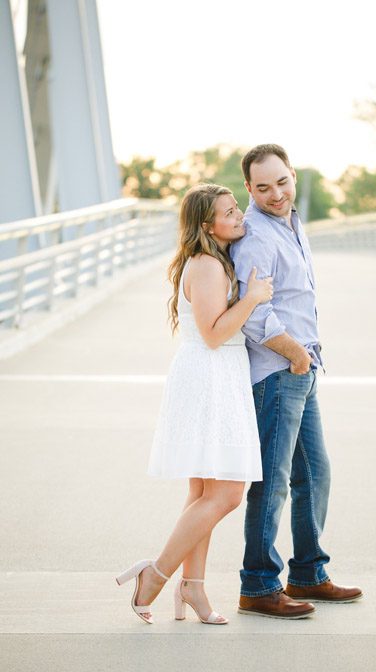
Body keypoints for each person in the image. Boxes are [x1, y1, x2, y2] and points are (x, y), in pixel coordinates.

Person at [116, 183, 276, 624]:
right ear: (208, 225)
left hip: (215, 375)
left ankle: (194, 589)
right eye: (230, 211)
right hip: (210, 377)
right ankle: (156, 574)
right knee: (225, 494)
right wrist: (253, 299)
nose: (240, 214)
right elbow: (213, 333)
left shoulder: (211, 260)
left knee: (203, 491)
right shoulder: (207, 265)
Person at [229, 144, 362, 619]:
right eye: (263, 187)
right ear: (249, 188)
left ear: (293, 176)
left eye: (282, 182)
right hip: (278, 373)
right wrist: (296, 357)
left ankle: (307, 571)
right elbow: (253, 314)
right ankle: (258, 586)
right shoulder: (257, 237)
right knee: (274, 482)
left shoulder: (290, 222)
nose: (275, 194)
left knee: (315, 474)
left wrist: (306, 360)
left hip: (301, 369)